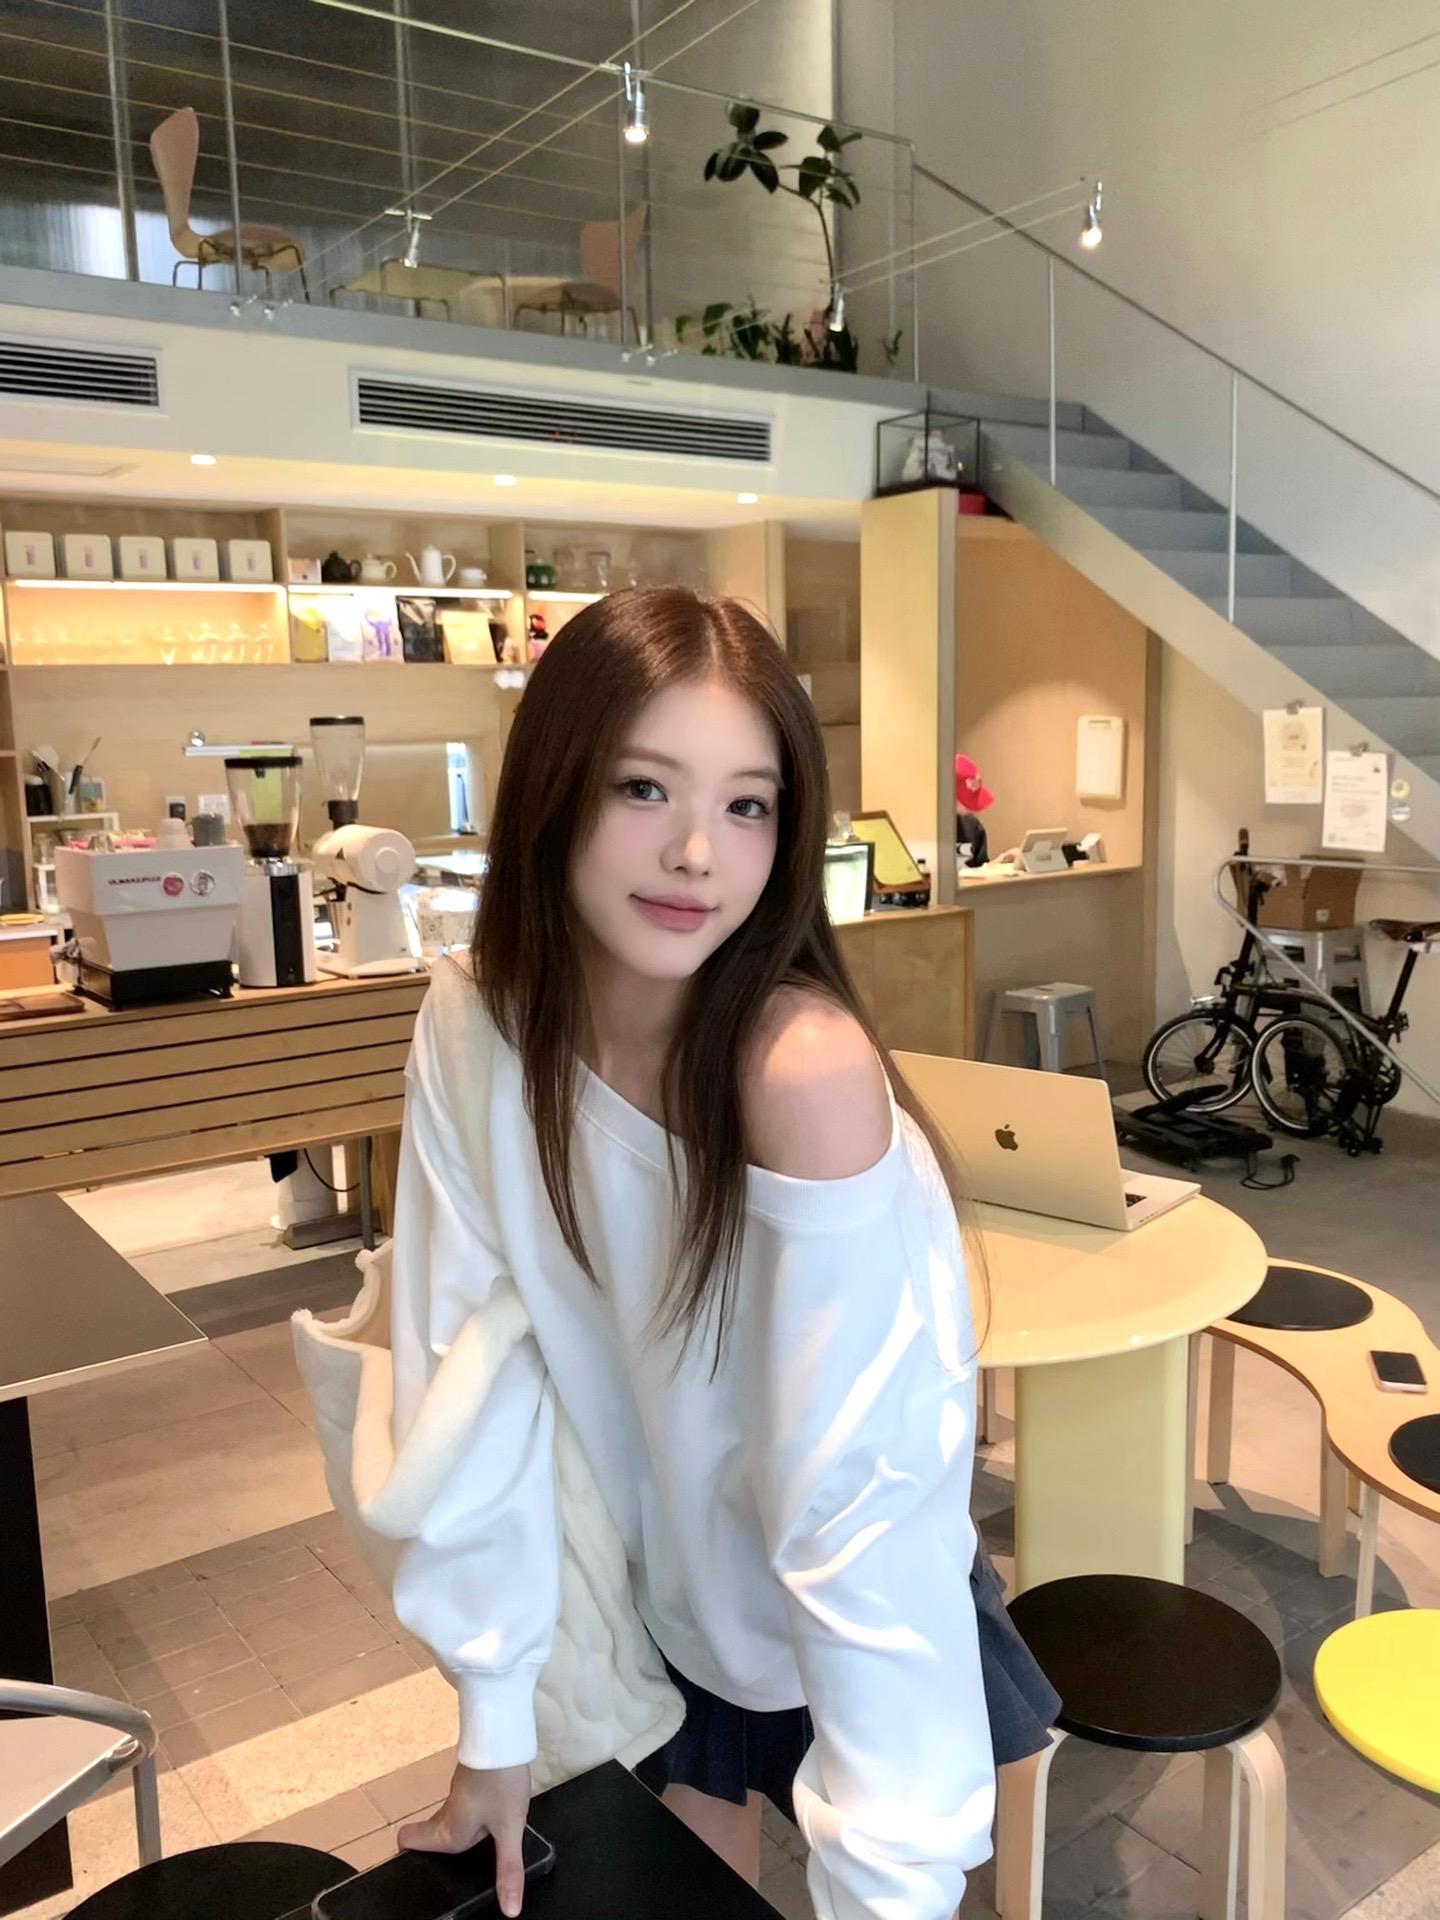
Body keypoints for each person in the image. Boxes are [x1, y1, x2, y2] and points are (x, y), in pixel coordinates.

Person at [385, 588, 1058, 1920]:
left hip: (852, 1617)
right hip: (664, 1603)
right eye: (645, 787)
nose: (697, 852)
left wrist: (891, 1885)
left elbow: (859, 1511)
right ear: (554, 789)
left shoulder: (798, 1073)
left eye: (749, 806)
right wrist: (497, 1717)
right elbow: (469, 1374)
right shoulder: (475, 1028)